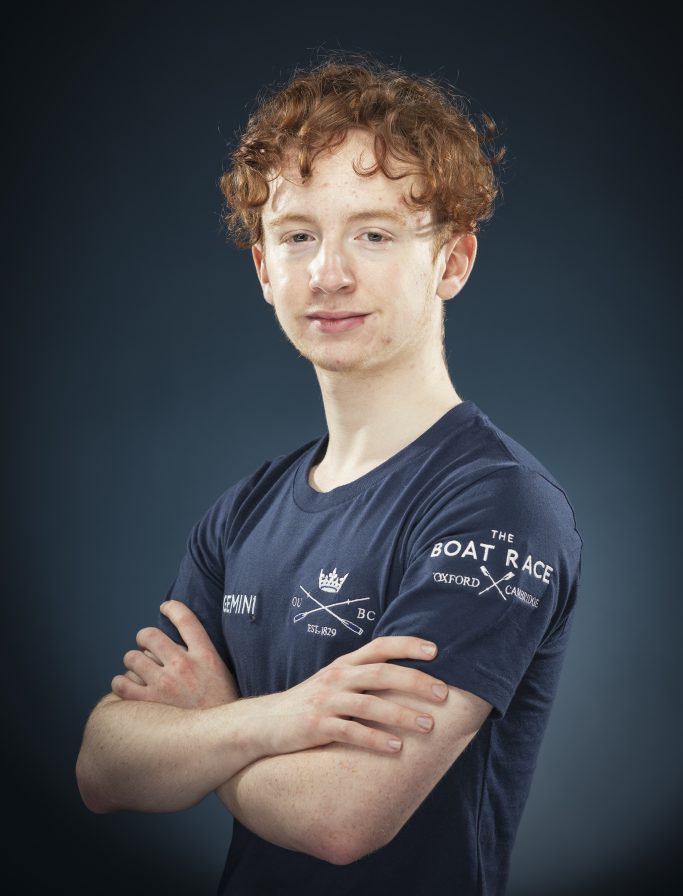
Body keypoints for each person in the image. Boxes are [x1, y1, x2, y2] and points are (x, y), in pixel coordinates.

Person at [76, 57, 582, 895]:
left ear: (451, 262)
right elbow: (104, 766)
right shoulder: (242, 513)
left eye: (373, 234)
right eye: (298, 236)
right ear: (263, 268)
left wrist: (208, 726)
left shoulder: (498, 507)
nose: (328, 274)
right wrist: (281, 718)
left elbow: (340, 818)